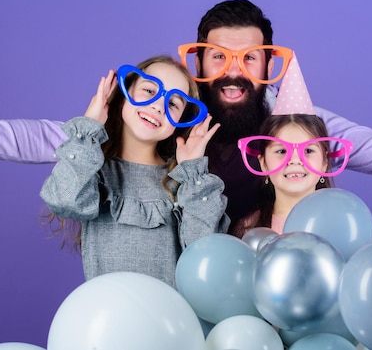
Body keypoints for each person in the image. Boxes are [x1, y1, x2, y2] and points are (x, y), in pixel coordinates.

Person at [0, 0, 372, 227]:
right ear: (201, 58)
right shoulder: (166, 115)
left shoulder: (296, 125)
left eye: (250, 57)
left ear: (267, 67)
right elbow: (61, 136)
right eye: (219, 55)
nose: (234, 68)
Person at [39, 55, 229, 287]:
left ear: (181, 120)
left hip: (171, 319)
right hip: (109, 315)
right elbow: (65, 199)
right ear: (124, 96)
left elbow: (206, 255)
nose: (158, 106)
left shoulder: (182, 182)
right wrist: (89, 126)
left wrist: (192, 172)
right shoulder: (93, 168)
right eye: (150, 91)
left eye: (172, 104)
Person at [229, 55, 353, 238]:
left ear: (325, 160)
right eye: (281, 151)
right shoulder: (249, 229)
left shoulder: (343, 224)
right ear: (263, 163)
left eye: (308, 150)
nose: (295, 159)